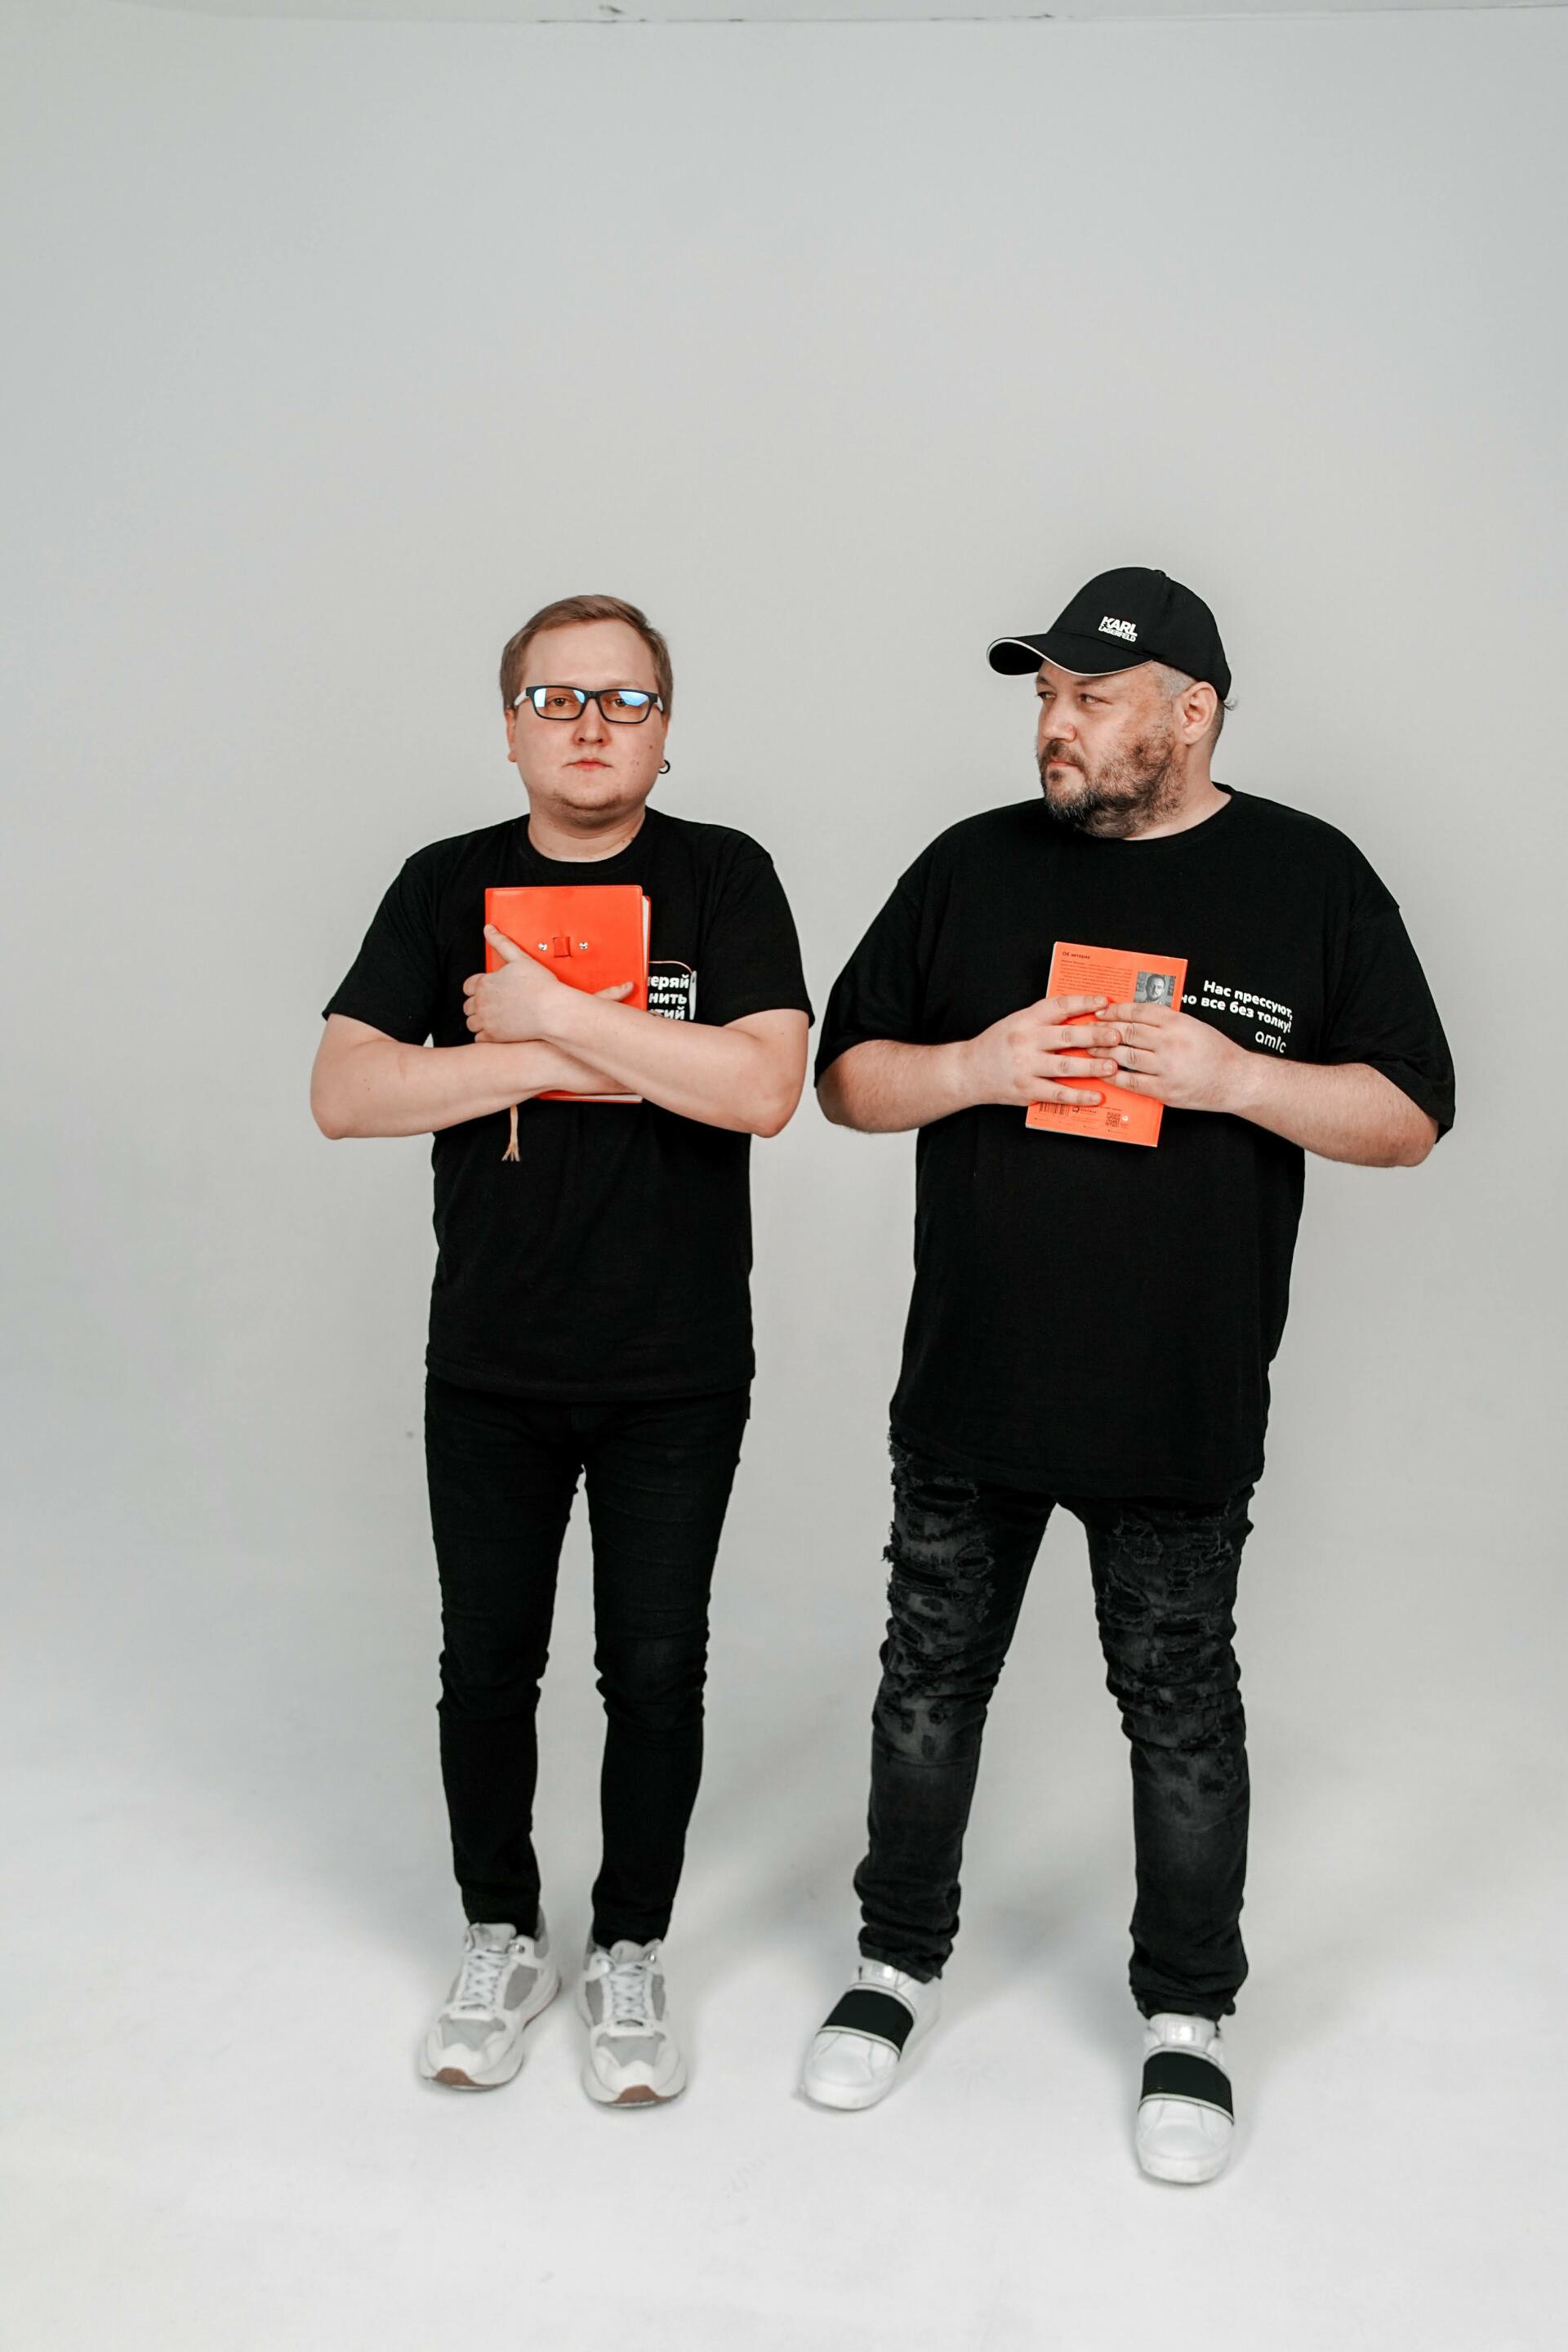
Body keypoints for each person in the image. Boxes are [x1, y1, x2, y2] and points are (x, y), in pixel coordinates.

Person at [800, 566, 1453, 2180]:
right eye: (1043, 696)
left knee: (1179, 1710)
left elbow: (1410, 1116)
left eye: (1090, 697)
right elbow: (847, 1080)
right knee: (928, 1683)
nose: (1055, 724)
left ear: (1192, 711)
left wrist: (1239, 1077)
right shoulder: (970, 865)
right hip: (972, 1388)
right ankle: (894, 1964)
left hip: (1176, 1402)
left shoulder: (1309, 877)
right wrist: (977, 1063)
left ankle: (1187, 2018)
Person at [312, 594, 812, 2107]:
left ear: (666, 726)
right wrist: (572, 1040)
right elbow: (346, 1090)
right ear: (512, 724)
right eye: (558, 698)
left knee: (654, 1669)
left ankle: (630, 1948)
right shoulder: (444, 882)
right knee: (487, 1666)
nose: (591, 726)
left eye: (624, 700)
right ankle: (503, 1934)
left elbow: (763, 1089)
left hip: (677, 1364)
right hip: (491, 1359)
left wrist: (538, 1020)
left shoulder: (725, 876)